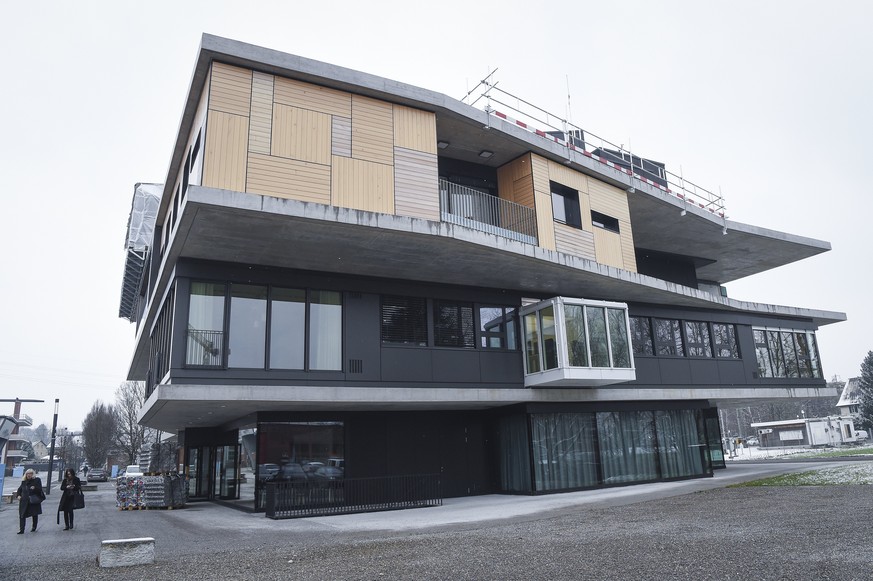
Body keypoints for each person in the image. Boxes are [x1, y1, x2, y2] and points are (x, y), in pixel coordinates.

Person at [15, 468, 45, 534]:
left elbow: (40, 489)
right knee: (22, 515)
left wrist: (35, 488)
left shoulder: (37, 480)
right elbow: (19, 490)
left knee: (34, 514)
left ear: (33, 474)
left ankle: (34, 527)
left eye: (31, 473)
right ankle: (21, 529)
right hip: (24, 500)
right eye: (28, 473)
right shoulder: (24, 482)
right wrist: (18, 496)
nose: (29, 475)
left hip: (33, 500)